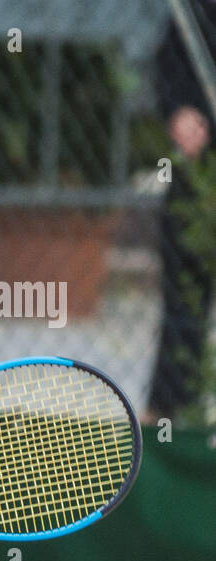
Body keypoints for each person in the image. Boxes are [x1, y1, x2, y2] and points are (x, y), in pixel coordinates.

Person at [148, 0, 216, 422]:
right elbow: (168, 68)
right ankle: (171, 413)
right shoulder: (196, 11)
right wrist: (181, 112)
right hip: (200, 172)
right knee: (185, 297)